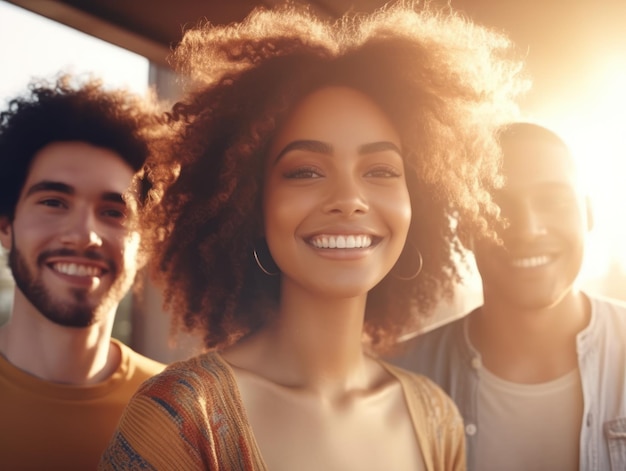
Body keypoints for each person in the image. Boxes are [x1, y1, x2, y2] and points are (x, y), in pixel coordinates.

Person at [99, 3, 526, 470]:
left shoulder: (437, 419)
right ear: (249, 204)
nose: (350, 199)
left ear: (417, 202)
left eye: (381, 170)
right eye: (305, 171)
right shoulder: (179, 417)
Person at [393, 122, 626, 471]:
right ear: (464, 230)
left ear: (589, 214)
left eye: (554, 201)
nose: (528, 229)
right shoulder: (397, 380)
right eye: (497, 206)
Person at [0, 75, 166, 470]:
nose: (84, 236)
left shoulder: (183, 412)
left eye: (114, 211)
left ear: (144, 243)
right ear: (6, 225)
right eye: (54, 202)